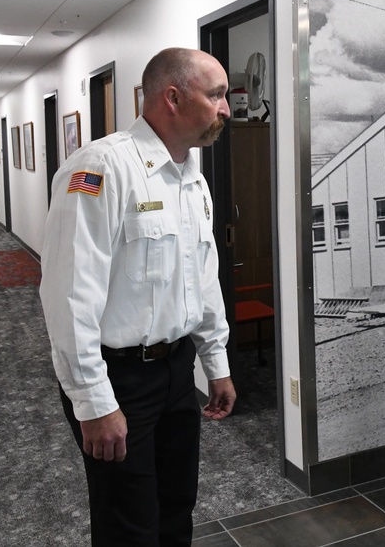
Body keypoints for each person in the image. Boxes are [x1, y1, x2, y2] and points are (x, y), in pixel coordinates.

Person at [40, 47, 237, 546]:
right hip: (118, 378)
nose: (227, 108)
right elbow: (69, 297)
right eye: (216, 94)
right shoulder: (101, 169)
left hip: (175, 372)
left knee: (176, 510)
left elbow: (202, 279)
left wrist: (216, 363)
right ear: (173, 97)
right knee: (129, 525)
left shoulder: (192, 178)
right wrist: (93, 402)